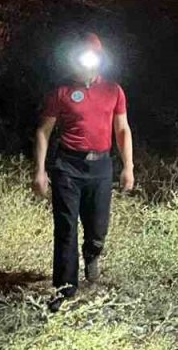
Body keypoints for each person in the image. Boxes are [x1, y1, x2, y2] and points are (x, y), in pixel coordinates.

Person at [33, 32, 135, 312]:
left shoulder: (113, 90)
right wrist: (40, 171)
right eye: (81, 57)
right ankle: (65, 287)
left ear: (101, 60)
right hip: (67, 166)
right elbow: (43, 131)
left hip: (101, 165)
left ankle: (92, 254)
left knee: (98, 226)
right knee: (66, 227)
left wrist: (128, 166)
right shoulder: (61, 92)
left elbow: (122, 130)